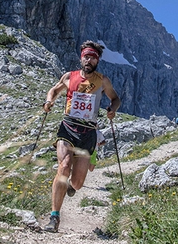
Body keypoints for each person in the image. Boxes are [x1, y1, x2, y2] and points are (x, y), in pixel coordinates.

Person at [42, 41, 120, 233]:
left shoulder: (103, 81)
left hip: (88, 132)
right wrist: (49, 101)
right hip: (68, 127)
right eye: (86, 56)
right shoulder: (69, 77)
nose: (89, 59)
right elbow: (54, 89)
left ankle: (70, 185)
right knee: (64, 165)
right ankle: (54, 217)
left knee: (77, 183)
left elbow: (115, 99)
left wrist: (112, 110)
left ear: (98, 60)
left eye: (93, 57)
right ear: (81, 57)